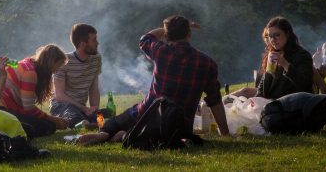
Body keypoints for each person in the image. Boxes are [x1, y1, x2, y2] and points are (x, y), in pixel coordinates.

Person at [78, 15, 229, 146]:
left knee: (113, 123)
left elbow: (145, 38)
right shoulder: (207, 63)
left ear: (167, 36)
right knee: (156, 134)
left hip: (146, 113)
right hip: (179, 126)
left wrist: (169, 29)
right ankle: (126, 135)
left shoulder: (161, 51)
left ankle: (106, 133)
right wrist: (225, 133)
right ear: (189, 34)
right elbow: (214, 100)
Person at [0, 44, 69, 139]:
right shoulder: (30, 73)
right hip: (2, 111)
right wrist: (53, 119)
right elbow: (29, 109)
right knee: (49, 126)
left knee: (48, 124)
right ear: (51, 63)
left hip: (5, 110)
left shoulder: (29, 64)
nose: (56, 71)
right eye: (58, 65)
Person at [235, 16, 314, 100]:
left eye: (277, 35)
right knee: (240, 98)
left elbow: (305, 84)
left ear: (287, 33)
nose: (273, 39)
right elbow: (262, 90)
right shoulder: (273, 55)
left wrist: (285, 65)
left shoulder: (302, 55)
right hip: (273, 104)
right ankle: (221, 102)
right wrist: (256, 101)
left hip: (295, 105)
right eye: (270, 36)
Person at [50, 23, 102, 127]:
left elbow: (94, 89)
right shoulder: (63, 62)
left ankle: (93, 123)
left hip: (82, 108)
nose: (97, 43)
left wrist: (94, 109)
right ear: (83, 44)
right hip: (61, 105)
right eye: (94, 40)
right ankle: (86, 124)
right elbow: (59, 96)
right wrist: (85, 109)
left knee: (104, 116)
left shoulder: (96, 59)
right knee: (75, 116)